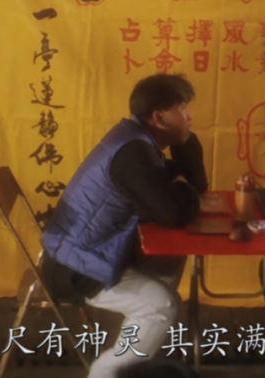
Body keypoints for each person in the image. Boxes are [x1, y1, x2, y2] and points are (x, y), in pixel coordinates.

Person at [40, 73, 208, 378]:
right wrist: (183, 187)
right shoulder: (133, 152)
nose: (189, 116)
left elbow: (194, 187)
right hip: (76, 268)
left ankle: (144, 349)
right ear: (159, 117)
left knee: (171, 255)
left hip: (95, 252)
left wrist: (184, 147)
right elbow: (172, 213)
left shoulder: (139, 139)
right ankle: (109, 372)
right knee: (162, 306)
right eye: (182, 108)